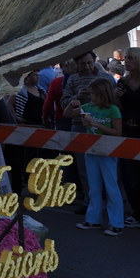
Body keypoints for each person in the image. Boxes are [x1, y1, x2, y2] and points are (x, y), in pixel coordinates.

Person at [67, 79, 124, 236]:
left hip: (108, 152)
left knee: (111, 187)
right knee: (94, 187)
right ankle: (93, 219)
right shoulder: (87, 107)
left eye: (95, 94)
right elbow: (67, 114)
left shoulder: (113, 110)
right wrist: (72, 104)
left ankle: (116, 222)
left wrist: (96, 124)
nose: (92, 97)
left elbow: (117, 133)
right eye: (91, 94)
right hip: (91, 151)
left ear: (103, 94)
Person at [117, 47, 140, 228]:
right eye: (126, 58)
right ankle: (136, 212)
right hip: (127, 132)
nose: (126, 61)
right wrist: (117, 98)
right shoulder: (122, 83)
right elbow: (118, 107)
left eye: (130, 58)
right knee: (129, 175)